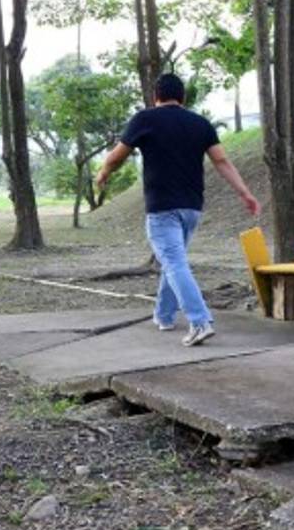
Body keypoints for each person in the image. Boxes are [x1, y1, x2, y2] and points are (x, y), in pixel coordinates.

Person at [95, 73, 261, 347]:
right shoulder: (199, 123)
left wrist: (103, 173)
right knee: (174, 262)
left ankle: (199, 321)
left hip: (162, 208)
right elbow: (221, 161)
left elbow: (116, 157)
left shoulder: (145, 119)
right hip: (192, 208)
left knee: (173, 263)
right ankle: (164, 315)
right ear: (182, 98)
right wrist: (245, 193)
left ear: (155, 96)